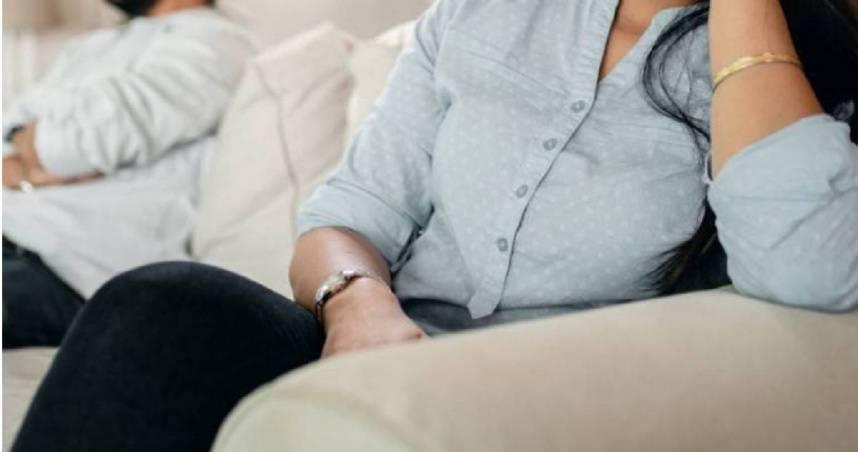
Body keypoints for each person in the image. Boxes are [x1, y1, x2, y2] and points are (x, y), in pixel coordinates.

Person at [12, 0, 858, 450]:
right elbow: (349, 213)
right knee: (160, 304)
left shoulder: (799, 65)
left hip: (539, 395)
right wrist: (357, 306)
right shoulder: (483, 12)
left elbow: (810, 271)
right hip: (367, 344)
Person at [1, 0, 254, 348]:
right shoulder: (94, 44)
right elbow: (11, 131)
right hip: (13, 235)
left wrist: (37, 147)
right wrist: (29, 148)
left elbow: (75, 144)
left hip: (67, 270)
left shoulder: (216, 42)